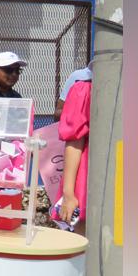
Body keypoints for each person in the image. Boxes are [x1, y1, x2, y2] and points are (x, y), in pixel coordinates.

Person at [58, 78, 91, 233]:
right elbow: (74, 140)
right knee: (84, 232)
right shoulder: (84, 89)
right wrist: (68, 193)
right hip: (90, 172)